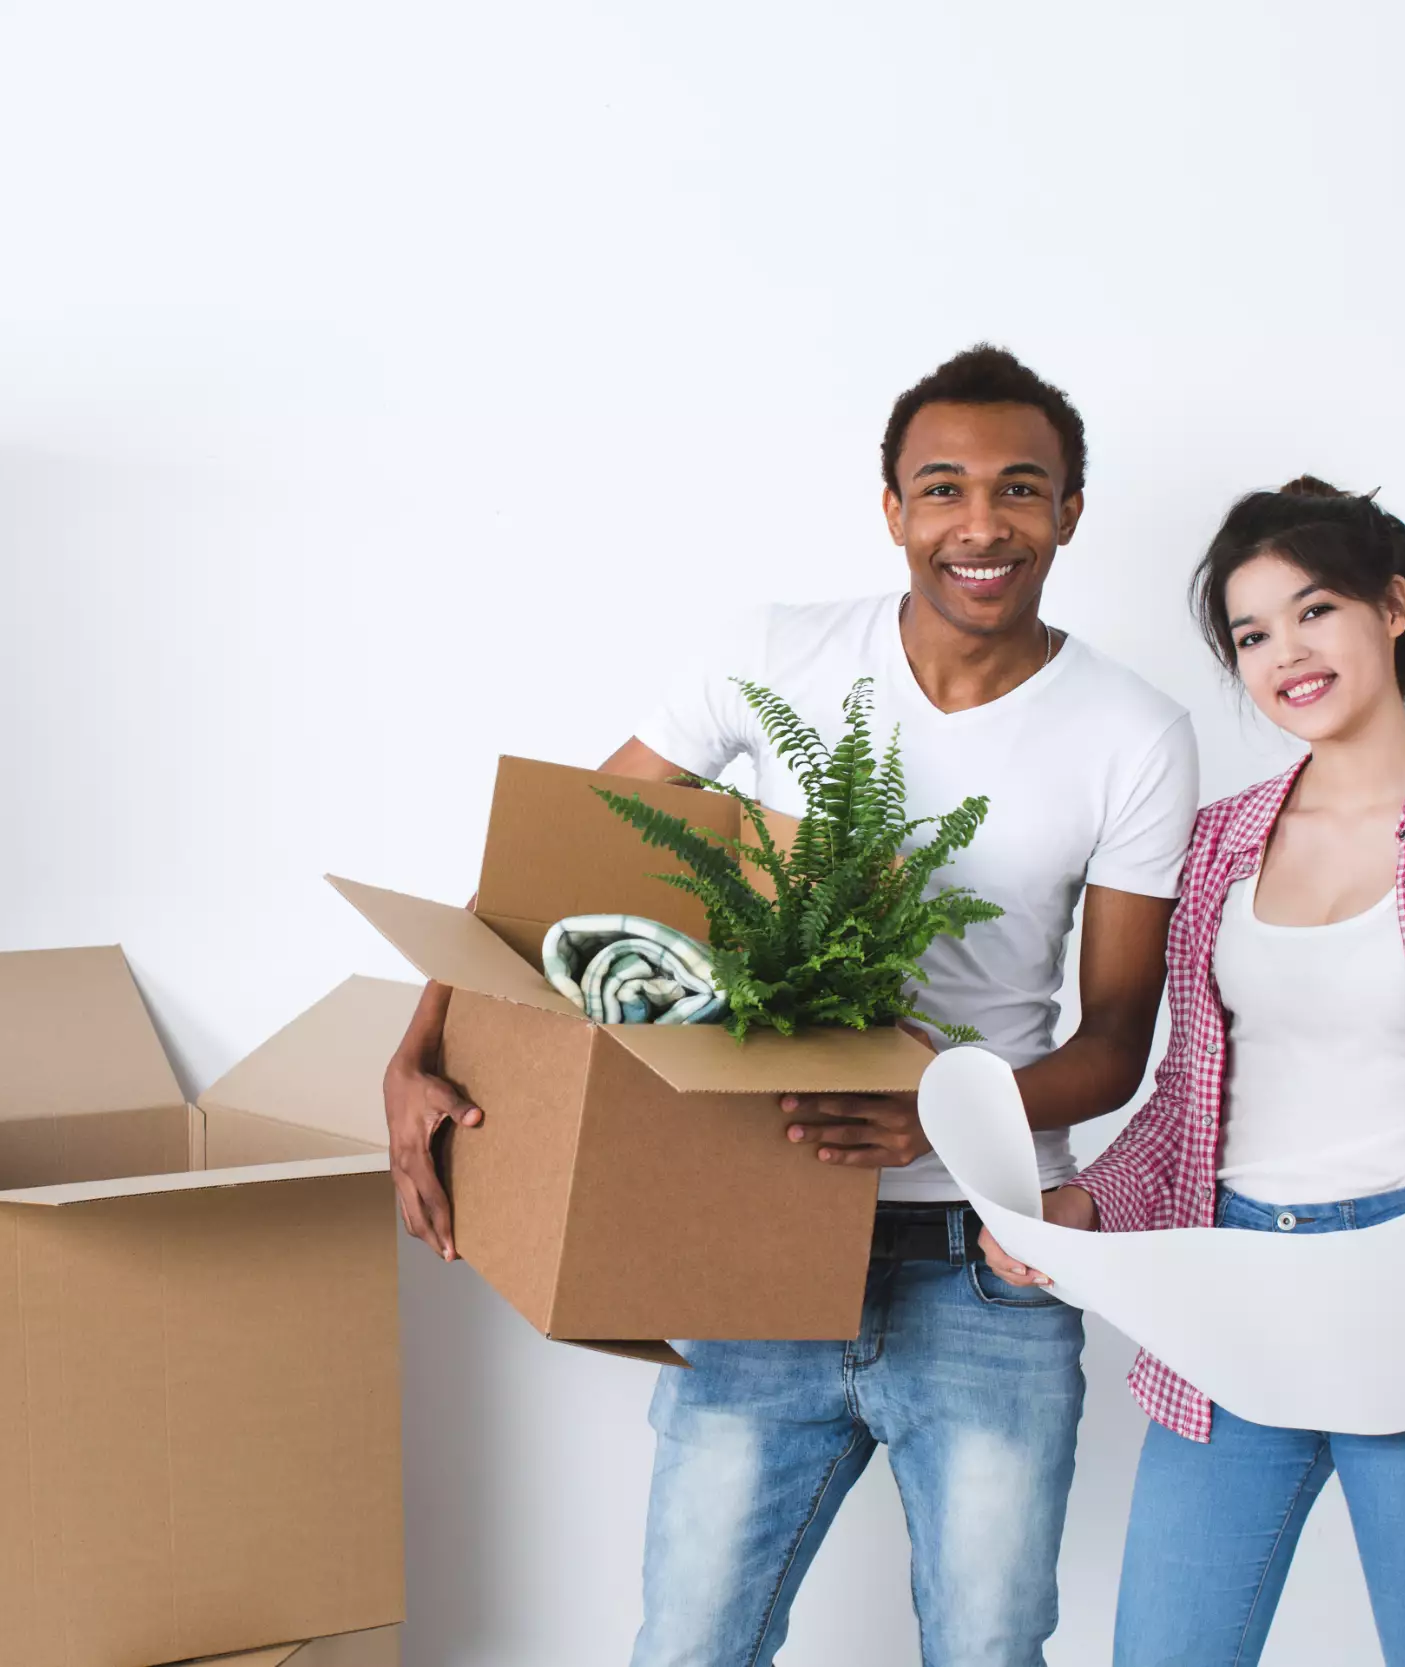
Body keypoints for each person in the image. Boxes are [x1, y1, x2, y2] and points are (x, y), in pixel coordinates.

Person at [383, 343, 1199, 1665]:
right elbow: (559, 869)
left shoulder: (1133, 729)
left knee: (990, 1649)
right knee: (691, 1645)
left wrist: (941, 1109)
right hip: (751, 1243)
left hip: (987, 1265)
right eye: (943, 488)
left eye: (1020, 489)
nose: (980, 523)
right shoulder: (776, 656)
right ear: (892, 508)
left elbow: (1115, 1041)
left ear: (1070, 511)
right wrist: (414, 1044)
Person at [981, 477, 1405, 1666]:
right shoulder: (1218, 840)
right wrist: (1082, 1204)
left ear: (1392, 607)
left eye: (1313, 611)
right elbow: (1186, 1099)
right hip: (1231, 1293)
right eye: (1251, 634)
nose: (1284, 653)